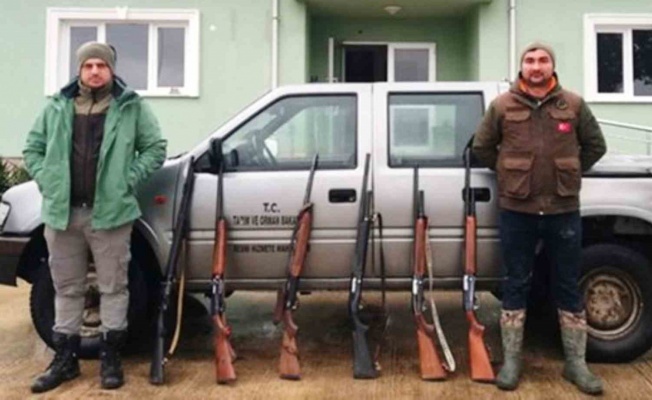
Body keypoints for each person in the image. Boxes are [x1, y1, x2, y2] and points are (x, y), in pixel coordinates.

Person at [23, 42, 167, 393]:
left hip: (111, 214)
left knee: (114, 287)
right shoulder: (57, 106)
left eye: (101, 65)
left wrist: (128, 180)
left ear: (111, 69)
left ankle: (110, 357)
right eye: (88, 65)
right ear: (79, 70)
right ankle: (65, 359)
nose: (94, 71)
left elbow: (155, 148)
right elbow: (32, 149)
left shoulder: (130, 107)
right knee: (67, 288)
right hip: (63, 214)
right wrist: (47, 180)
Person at [472, 42, 607, 395]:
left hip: (563, 209)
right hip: (518, 209)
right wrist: (510, 173)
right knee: (516, 282)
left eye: (543, 60)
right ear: (522, 67)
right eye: (530, 60)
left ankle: (576, 364)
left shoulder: (573, 105)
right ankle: (512, 362)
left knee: (567, 283)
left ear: (552, 66)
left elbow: (596, 146)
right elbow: (482, 147)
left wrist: (569, 172)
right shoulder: (502, 105)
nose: (536, 66)